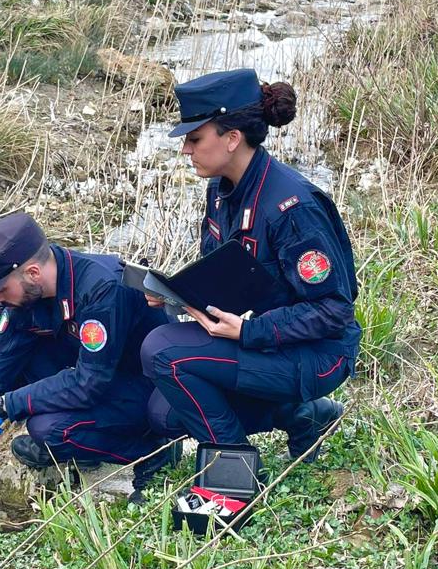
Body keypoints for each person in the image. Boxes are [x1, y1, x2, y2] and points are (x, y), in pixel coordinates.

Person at [140, 69, 360, 461]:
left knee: (162, 350)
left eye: (194, 138)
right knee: (165, 412)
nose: (185, 151)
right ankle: (301, 417)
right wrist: (175, 296)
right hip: (263, 339)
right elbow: (227, 274)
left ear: (232, 138)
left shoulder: (292, 208)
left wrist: (250, 330)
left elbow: (334, 310)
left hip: (318, 354)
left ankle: (233, 465)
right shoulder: (222, 191)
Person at [0, 213, 177, 508]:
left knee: (48, 430)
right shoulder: (30, 294)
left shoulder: (102, 288)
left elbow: (89, 384)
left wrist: (8, 404)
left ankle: (152, 451)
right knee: (20, 366)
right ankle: (90, 438)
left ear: (33, 273)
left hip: (149, 386)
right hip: (101, 371)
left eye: (1, 290)